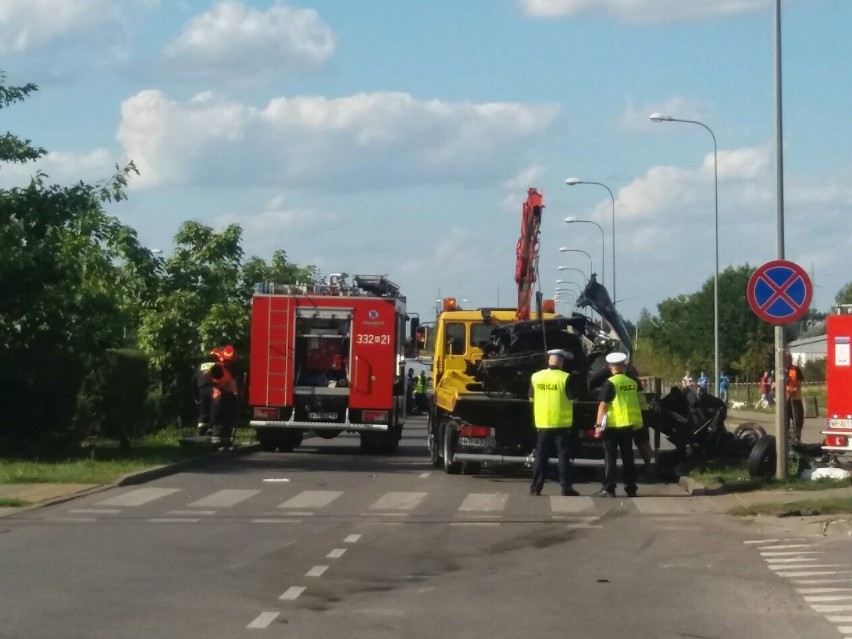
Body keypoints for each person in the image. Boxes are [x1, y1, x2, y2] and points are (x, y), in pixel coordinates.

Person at [528, 349, 578, 497]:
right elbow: (573, 399)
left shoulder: (536, 377)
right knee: (563, 457)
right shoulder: (565, 377)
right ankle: (566, 488)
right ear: (561, 362)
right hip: (562, 424)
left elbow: (531, 398)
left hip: (543, 423)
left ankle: (536, 487)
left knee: (541, 456)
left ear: (548, 360)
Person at [594, 352, 642, 498]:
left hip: (612, 426)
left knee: (610, 457)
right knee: (628, 457)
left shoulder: (610, 383)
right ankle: (631, 487)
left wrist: (597, 426)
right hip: (628, 425)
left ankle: (609, 488)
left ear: (610, 367)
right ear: (623, 366)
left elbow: (603, 406)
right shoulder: (632, 382)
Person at [207, 345, 240, 448]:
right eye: (228, 361)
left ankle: (225, 443)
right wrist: (216, 384)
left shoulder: (228, 369)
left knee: (227, 420)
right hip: (219, 397)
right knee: (218, 421)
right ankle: (216, 443)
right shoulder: (218, 367)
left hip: (228, 397)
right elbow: (206, 374)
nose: (229, 363)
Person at [191, 353, 217, 436]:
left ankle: (202, 423)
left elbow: (193, 381)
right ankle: (211, 427)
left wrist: (195, 396)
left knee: (203, 407)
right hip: (213, 389)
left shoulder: (200, 366)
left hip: (202, 389)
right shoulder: (217, 365)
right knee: (214, 408)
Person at [785, 352, 805, 442]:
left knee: (797, 420)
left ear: (790, 359)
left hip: (795, 399)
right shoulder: (779, 371)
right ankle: (786, 439)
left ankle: (798, 438)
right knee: (785, 422)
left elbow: (799, 382)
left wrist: (794, 390)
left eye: (786, 359)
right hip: (784, 400)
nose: (785, 360)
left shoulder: (796, 369)